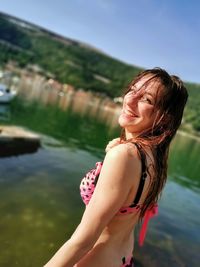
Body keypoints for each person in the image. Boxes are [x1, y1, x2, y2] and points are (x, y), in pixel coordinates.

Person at [44, 68, 188, 267]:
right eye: (132, 90)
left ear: (164, 117)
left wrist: (117, 155)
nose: (129, 100)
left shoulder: (125, 156)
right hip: (122, 259)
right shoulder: (155, 158)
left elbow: (82, 242)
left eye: (146, 99)